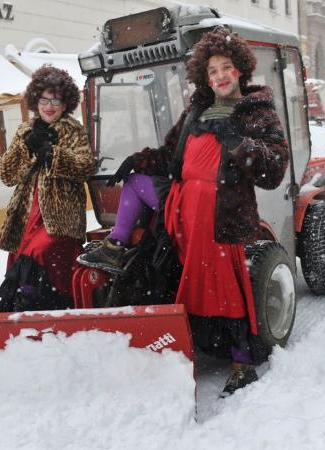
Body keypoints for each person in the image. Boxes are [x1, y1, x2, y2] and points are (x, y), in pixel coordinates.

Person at [92, 30, 289, 397]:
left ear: (240, 70)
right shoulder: (197, 110)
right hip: (184, 203)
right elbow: (171, 156)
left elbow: (274, 170)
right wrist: (142, 159)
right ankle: (116, 247)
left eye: (227, 67)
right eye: (212, 71)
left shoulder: (257, 112)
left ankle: (242, 365)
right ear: (205, 77)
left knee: (224, 289)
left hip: (220, 215)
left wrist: (239, 144)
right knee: (137, 182)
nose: (220, 76)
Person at [0, 66, 95, 313]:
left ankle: (44, 310)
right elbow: (7, 175)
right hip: (27, 214)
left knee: (41, 255)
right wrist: (26, 150)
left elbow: (85, 167)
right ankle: (23, 314)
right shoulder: (25, 130)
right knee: (21, 259)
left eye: (56, 100)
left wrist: (53, 154)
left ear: (65, 103)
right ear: (35, 101)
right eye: (44, 100)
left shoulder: (73, 130)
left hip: (61, 217)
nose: (49, 106)